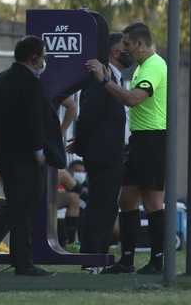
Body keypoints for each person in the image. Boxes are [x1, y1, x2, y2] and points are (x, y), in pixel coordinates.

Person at [0, 35, 60, 277]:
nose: (44, 60)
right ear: (34, 57)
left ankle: (21, 261)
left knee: (19, 205)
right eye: (43, 56)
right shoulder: (30, 82)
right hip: (26, 155)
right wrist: (39, 150)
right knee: (22, 204)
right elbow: (33, 119)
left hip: (3, 154)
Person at [86, 22, 167, 275]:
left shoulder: (154, 65)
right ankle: (127, 260)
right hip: (140, 140)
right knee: (127, 198)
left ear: (140, 44)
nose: (125, 50)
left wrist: (103, 81)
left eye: (128, 45)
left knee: (153, 202)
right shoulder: (143, 66)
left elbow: (133, 99)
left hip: (152, 140)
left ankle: (157, 261)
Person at [69, 32, 130, 268]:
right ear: (115, 52)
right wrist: (83, 145)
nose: (128, 51)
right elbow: (88, 115)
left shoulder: (114, 78)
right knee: (100, 205)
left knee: (105, 205)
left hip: (111, 152)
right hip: (103, 154)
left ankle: (97, 255)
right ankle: (92, 257)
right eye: (124, 47)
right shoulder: (99, 79)